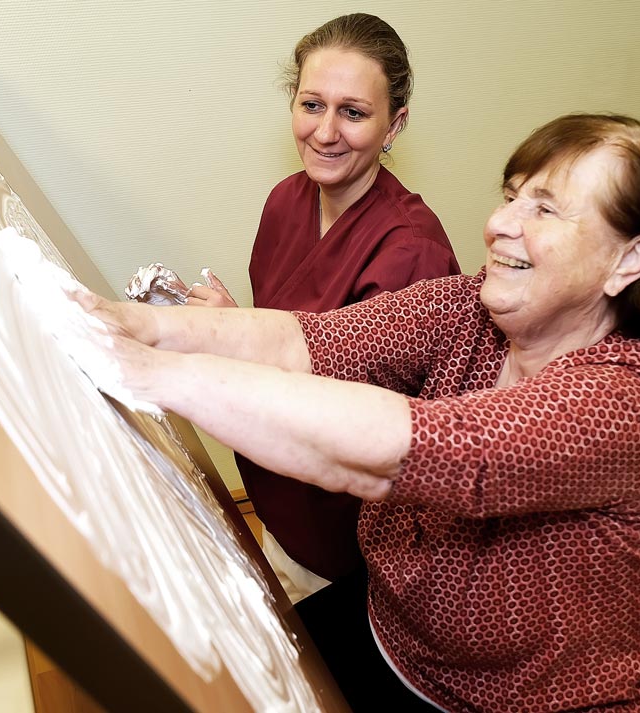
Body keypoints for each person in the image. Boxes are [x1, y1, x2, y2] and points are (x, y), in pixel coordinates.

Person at [73, 113, 640, 711]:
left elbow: (400, 448)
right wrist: (139, 324)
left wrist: (150, 373)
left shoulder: (633, 398)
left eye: (544, 209)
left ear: (630, 260)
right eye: (511, 195)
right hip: (400, 646)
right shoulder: (467, 308)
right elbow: (306, 343)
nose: (501, 224)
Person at [182, 13, 460, 602]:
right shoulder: (287, 199)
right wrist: (236, 325)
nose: (326, 132)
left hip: (358, 546)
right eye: (312, 105)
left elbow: (366, 431)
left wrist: (223, 351)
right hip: (280, 503)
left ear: (394, 124)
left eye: (353, 112)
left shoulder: (411, 250)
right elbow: (291, 335)